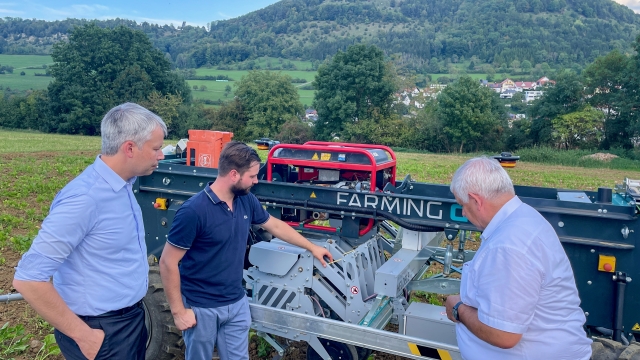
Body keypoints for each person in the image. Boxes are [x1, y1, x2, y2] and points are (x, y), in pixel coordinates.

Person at [13, 103, 167, 360]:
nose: (161, 155)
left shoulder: (123, 186)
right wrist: (84, 336)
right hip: (102, 333)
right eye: (156, 148)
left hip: (131, 321)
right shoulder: (85, 199)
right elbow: (29, 279)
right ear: (129, 148)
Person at [159, 141, 333, 360]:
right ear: (234, 175)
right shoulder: (193, 211)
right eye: (252, 176)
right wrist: (178, 312)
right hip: (202, 308)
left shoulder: (246, 201)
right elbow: (167, 262)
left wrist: (312, 247)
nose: (256, 180)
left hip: (236, 303)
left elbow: (275, 226)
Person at [444, 156, 592, 360]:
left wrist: (458, 308)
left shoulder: (508, 245)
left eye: (463, 204)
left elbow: (504, 335)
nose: (463, 212)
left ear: (476, 200)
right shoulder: (523, 218)